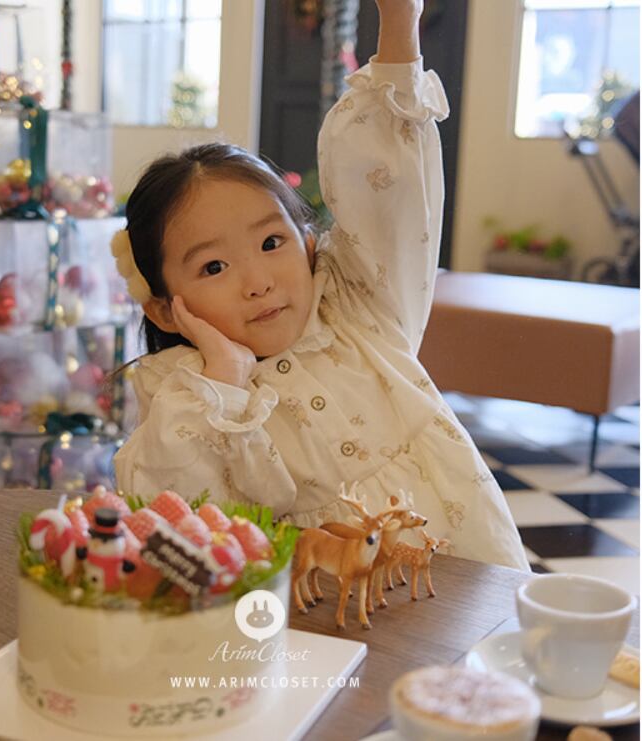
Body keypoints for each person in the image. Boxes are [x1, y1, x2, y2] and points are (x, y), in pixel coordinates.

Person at [112, 0, 529, 570]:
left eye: (271, 243)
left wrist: (400, 26)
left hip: (468, 575)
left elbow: (389, 187)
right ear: (164, 309)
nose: (258, 282)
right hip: (323, 605)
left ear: (310, 245)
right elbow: (178, 519)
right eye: (214, 267)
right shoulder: (184, 396)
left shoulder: (359, 304)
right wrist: (226, 380)